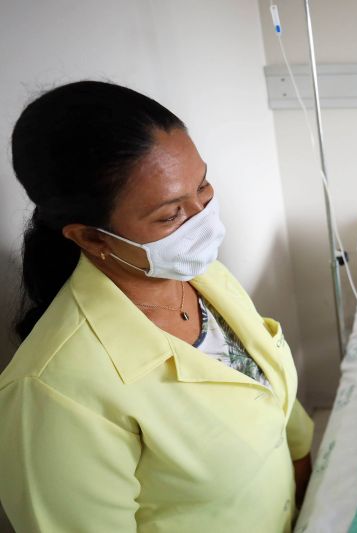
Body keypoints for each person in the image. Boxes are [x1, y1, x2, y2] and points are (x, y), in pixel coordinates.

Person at [0, 81, 313, 532]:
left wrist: (308, 475)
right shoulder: (56, 391)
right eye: (170, 215)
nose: (204, 219)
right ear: (91, 237)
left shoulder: (202, 278)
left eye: (202, 185)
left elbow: (265, 389)